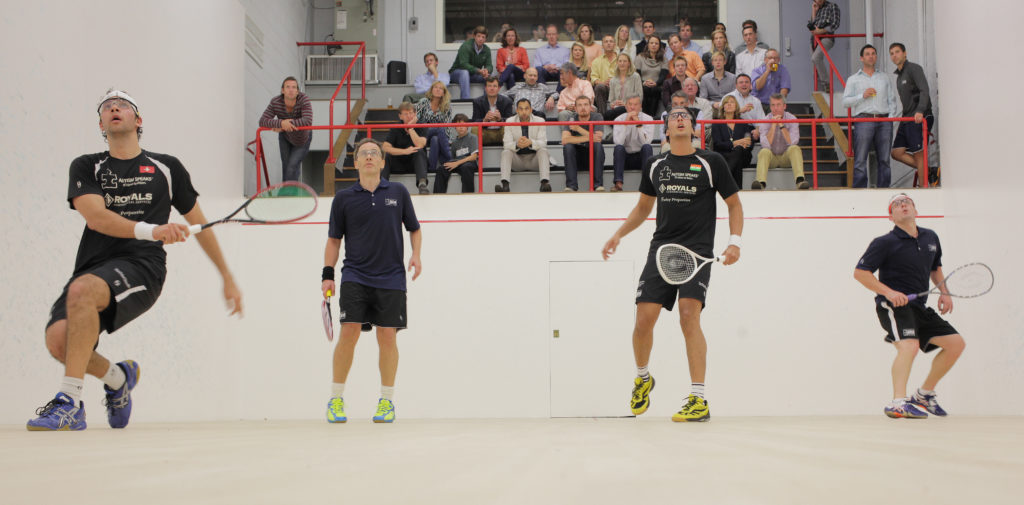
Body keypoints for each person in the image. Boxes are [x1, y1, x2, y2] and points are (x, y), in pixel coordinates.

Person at [27, 89, 243, 431]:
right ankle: (118, 379)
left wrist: (226, 277)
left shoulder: (167, 167)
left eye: (123, 105)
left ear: (137, 120)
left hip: (143, 267)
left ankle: (70, 404)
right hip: (92, 265)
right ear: (101, 123)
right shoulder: (86, 166)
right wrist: (154, 229)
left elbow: (200, 225)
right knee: (58, 341)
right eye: (107, 107)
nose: (115, 107)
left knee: (82, 291)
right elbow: (96, 218)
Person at [601, 106, 743, 423]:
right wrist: (618, 235)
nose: (680, 119)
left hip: (698, 252)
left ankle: (699, 399)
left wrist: (735, 242)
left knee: (689, 315)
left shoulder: (711, 162)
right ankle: (643, 377)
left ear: (693, 127)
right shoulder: (655, 165)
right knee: (642, 323)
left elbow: (734, 204)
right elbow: (642, 208)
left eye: (685, 116)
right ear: (666, 129)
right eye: (674, 117)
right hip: (661, 249)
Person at [322, 138, 423, 425]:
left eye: (374, 153)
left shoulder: (399, 192)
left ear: (382, 161)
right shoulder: (343, 198)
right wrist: (327, 275)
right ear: (355, 163)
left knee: (387, 336)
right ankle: (336, 399)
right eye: (363, 153)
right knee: (349, 332)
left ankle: (386, 402)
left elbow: (415, 229)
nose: (368, 157)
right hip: (355, 275)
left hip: (392, 278)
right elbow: (333, 241)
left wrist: (416, 255)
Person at [854, 193, 964, 419]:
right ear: (891, 216)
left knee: (955, 344)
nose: (902, 205)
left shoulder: (930, 237)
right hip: (892, 306)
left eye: (907, 202)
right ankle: (898, 402)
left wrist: (945, 292)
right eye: (896, 204)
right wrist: (889, 292)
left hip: (919, 306)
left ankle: (923, 395)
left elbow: (935, 268)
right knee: (909, 346)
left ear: (915, 210)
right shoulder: (883, 243)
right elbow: (860, 273)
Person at [842, 44, 898, 188]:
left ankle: (884, 190)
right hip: (863, 119)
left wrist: (891, 118)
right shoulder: (853, 79)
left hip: (884, 120)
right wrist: (862, 95)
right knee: (860, 159)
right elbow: (845, 102)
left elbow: (892, 100)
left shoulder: (885, 77)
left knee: (884, 159)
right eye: (867, 54)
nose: (871, 56)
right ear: (862, 58)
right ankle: (860, 191)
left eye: (873, 53)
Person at [889, 42, 935, 187]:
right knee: (896, 152)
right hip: (907, 118)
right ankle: (931, 171)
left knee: (919, 154)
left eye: (897, 52)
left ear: (905, 53)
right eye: (891, 53)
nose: (894, 55)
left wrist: (920, 110)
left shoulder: (914, 68)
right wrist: (902, 121)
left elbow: (924, 90)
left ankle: (923, 189)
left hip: (920, 117)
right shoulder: (898, 77)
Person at [259, 76, 313, 183]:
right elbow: (262, 121)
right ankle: (287, 194)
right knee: (286, 167)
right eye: (288, 87)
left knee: (292, 166)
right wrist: (281, 123)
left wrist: (283, 126)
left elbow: (307, 120)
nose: (291, 90)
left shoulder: (304, 99)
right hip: (285, 138)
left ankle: (290, 194)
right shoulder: (276, 102)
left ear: (298, 91)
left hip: (302, 139)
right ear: (282, 90)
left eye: (294, 87)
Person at [753, 94, 809, 190]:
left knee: (795, 148)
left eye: (778, 105)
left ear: (784, 106)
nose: (775, 108)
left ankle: (800, 181)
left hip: (786, 157)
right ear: (770, 107)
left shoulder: (792, 119)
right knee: (764, 151)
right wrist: (773, 125)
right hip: (772, 158)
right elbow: (765, 144)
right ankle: (761, 183)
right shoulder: (765, 120)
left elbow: (793, 142)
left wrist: (782, 125)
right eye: (773, 105)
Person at [497, 98, 551, 193]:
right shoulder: (509, 121)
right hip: (517, 161)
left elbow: (543, 142)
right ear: (517, 110)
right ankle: (505, 186)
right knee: (506, 152)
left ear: (531, 110)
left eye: (526, 108)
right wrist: (517, 144)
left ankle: (544, 184)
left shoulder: (540, 120)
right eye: (521, 109)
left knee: (543, 151)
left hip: (534, 160)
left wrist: (530, 142)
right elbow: (506, 144)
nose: (524, 112)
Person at [382, 102, 430, 194]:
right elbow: (385, 147)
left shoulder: (422, 125)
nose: (409, 116)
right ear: (400, 116)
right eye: (405, 114)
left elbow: (420, 144)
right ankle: (382, 185)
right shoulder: (396, 127)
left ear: (415, 114)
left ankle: (422, 185)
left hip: (415, 163)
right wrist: (404, 151)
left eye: (411, 113)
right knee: (386, 156)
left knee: (419, 151)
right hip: (399, 162)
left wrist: (410, 128)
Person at [561, 95, 606, 192]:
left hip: (592, 156)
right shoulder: (571, 118)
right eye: (580, 105)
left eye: (586, 105)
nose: (583, 108)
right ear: (575, 109)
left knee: (597, 145)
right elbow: (565, 140)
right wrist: (589, 137)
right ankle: (571, 186)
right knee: (568, 147)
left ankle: (598, 185)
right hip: (577, 157)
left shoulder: (597, 116)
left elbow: (598, 139)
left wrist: (578, 129)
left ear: (590, 107)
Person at [611, 94, 655, 192]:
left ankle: (647, 184)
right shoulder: (619, 119)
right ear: (625, 106)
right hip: (625, 158)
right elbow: (618, 142)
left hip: (641, 157)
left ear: (640, 106)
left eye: (635, 104)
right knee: (618, 148)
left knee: (647, 147)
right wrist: (625, 124)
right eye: (630, 104)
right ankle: (618, 184)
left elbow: (646, 142)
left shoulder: (648, 119)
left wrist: (638, 123)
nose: (632, 107)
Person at [414, 81, 454, 182]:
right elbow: (416, 118)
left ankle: (432, 168)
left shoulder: (447, 106)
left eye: (440, 88)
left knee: (436, 140)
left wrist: (448, 140)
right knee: (439, 128)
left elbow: (447, 124)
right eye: (435, 87)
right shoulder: (423, 101)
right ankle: (449, 157)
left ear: (443, 93)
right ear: (431, 90)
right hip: (422, 134)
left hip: (438, 136)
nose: (437, 89)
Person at [711, 95, 754, 187]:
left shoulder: (743, 123)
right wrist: (736, 143)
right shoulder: (717, 123)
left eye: (732, 102)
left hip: (743, 156)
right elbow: (717, 144)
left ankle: (724, 177)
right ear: (723, 107)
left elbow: (749, 142)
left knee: (738, 150)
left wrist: (743, 144)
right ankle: (738, 190)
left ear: (736, 107)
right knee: (737, 160)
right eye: (726, 102)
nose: (729, 104)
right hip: (723, 156)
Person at [437, 114, 478, 194]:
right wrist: (454, 163)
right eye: (458, 125)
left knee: (466, 168)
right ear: (455, 127)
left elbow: (474, 156)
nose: (461, 127)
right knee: (442, 168)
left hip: (469, 163)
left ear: (467, 126)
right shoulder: (454, 142)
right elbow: (453, 158)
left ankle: (468, 195)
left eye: (463, 125)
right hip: (458, 163)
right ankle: (438, 195)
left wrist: (457, 163)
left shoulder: (473, 137)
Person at [449, 26, 493, 100]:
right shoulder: (466, 46)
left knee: (488, 76)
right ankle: (465, 100)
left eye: (483, 37)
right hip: (457, 73)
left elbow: (489, 65)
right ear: (474, 36)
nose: (480, 39)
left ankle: (487, 101)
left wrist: (486, 70)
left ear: (485, 39)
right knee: (464, 73)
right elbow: (463, 64)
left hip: (473, 74)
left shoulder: (487, 49)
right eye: (478, 36)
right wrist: (478, 71)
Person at [471, 76, 514, 146]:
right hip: (485, 132)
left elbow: (511, 120)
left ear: (499, 88)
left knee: (510, 130)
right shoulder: (477, 101)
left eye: (494, 86)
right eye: (489, 86)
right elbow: (474, 121)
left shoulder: (507, 101)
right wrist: (484, 120)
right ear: (485, 88)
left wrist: (500, 120)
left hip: (501, 133)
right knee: (474, 130)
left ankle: (509, 153)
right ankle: (477, 155)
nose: (492, 88)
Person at [809, 0, 841, 92]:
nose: (817, 1)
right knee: (815, 67)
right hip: (814, 39)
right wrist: (814, 11)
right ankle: (820, 92)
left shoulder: (832, 6)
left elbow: (835, 25)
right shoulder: (816, 7)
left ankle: (827, 84)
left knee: (816, 58)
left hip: (827, 37)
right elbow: (812, 26)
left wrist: (822, 31)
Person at [635, 35, 669, 117]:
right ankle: (645, 116)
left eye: (656, 43)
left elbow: (663, 75)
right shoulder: (640, 57)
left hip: (657, 85)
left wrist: (656, 83)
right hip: (642, 84)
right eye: (651, 43)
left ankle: (651, 116)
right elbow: (637, 74)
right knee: (646, 89)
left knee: (654, 90)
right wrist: (644, 82)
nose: (654, 45)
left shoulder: (664, 59)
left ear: (659, 46)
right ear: (648, 45)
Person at [604, 53, 643, 120]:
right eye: (620, 61)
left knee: (619, 111)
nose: (622, 63)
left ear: (629, 63)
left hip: (632, 107)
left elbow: (640, 96)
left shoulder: (636, 77)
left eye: (625, 61)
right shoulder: (613, 80)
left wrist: (625, 104)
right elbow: (610, 100)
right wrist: (614, 104)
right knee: (607, 114)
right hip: (616, 109)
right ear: (617, 63)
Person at [589, 35, 619, 114]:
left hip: (620, 88)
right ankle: (602, 115)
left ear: (615, 44)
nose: (608, 43)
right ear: (602, 45)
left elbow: (628, 75)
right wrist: (603, 83)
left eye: (611, 41)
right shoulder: (596, 61)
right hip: (604, 89)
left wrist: (615, 81)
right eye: (606, 42)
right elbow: (593, 78)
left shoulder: (622, 59)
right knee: (599, 87)